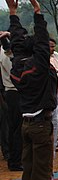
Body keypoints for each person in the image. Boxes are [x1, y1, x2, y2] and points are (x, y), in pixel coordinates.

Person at [5, 0, 58, 180]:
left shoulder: (18, 63)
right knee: (40, 169)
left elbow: (17, 41)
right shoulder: (38, 66)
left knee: (29, 169)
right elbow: (38, 39)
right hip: (39, 124)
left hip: (26, 122)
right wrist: (37, 13)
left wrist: (14, 15)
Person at [0, 37, 22, 171]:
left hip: (11, 92)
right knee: (16, 129)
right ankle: (15, 160)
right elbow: (15, 74)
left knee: (13, 128)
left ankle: (14, 158)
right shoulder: (8, 56)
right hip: (14, 92)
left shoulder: (6, 54)